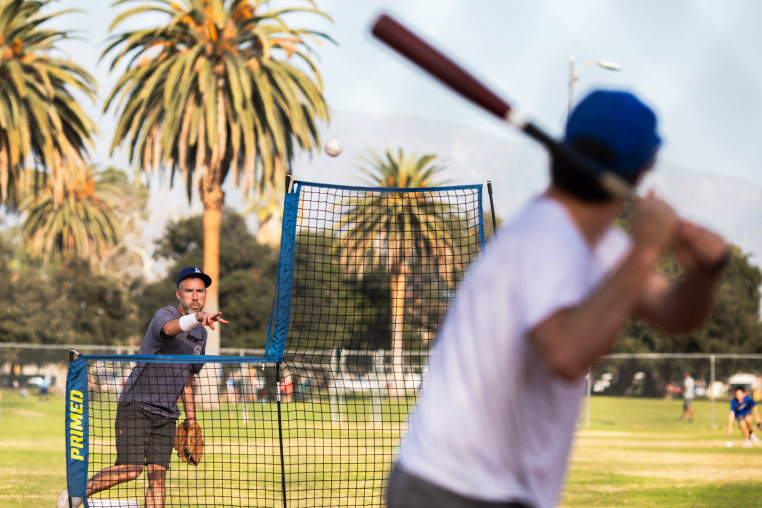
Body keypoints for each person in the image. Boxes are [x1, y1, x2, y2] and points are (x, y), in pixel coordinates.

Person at [386, 90, 729, 508]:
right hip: (453, 489)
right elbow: (566, 354)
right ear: (644, 170)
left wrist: (703, 276)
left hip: (490, 488)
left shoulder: (600, 246)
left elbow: (675, 313)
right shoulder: (548, 237)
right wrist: (646, 250)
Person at [58, 266, 227, 508]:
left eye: (200, 291)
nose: (195, 295)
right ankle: (73, 495)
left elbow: (189, 378)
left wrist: (191, 420)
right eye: (189, 290)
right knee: (130, 470)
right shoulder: (164, 315)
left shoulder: (202, 334)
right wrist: (198, 318)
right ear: (178, 294)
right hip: (137, 405)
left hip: (167, 415)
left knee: (158, 479)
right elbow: (170, 328)